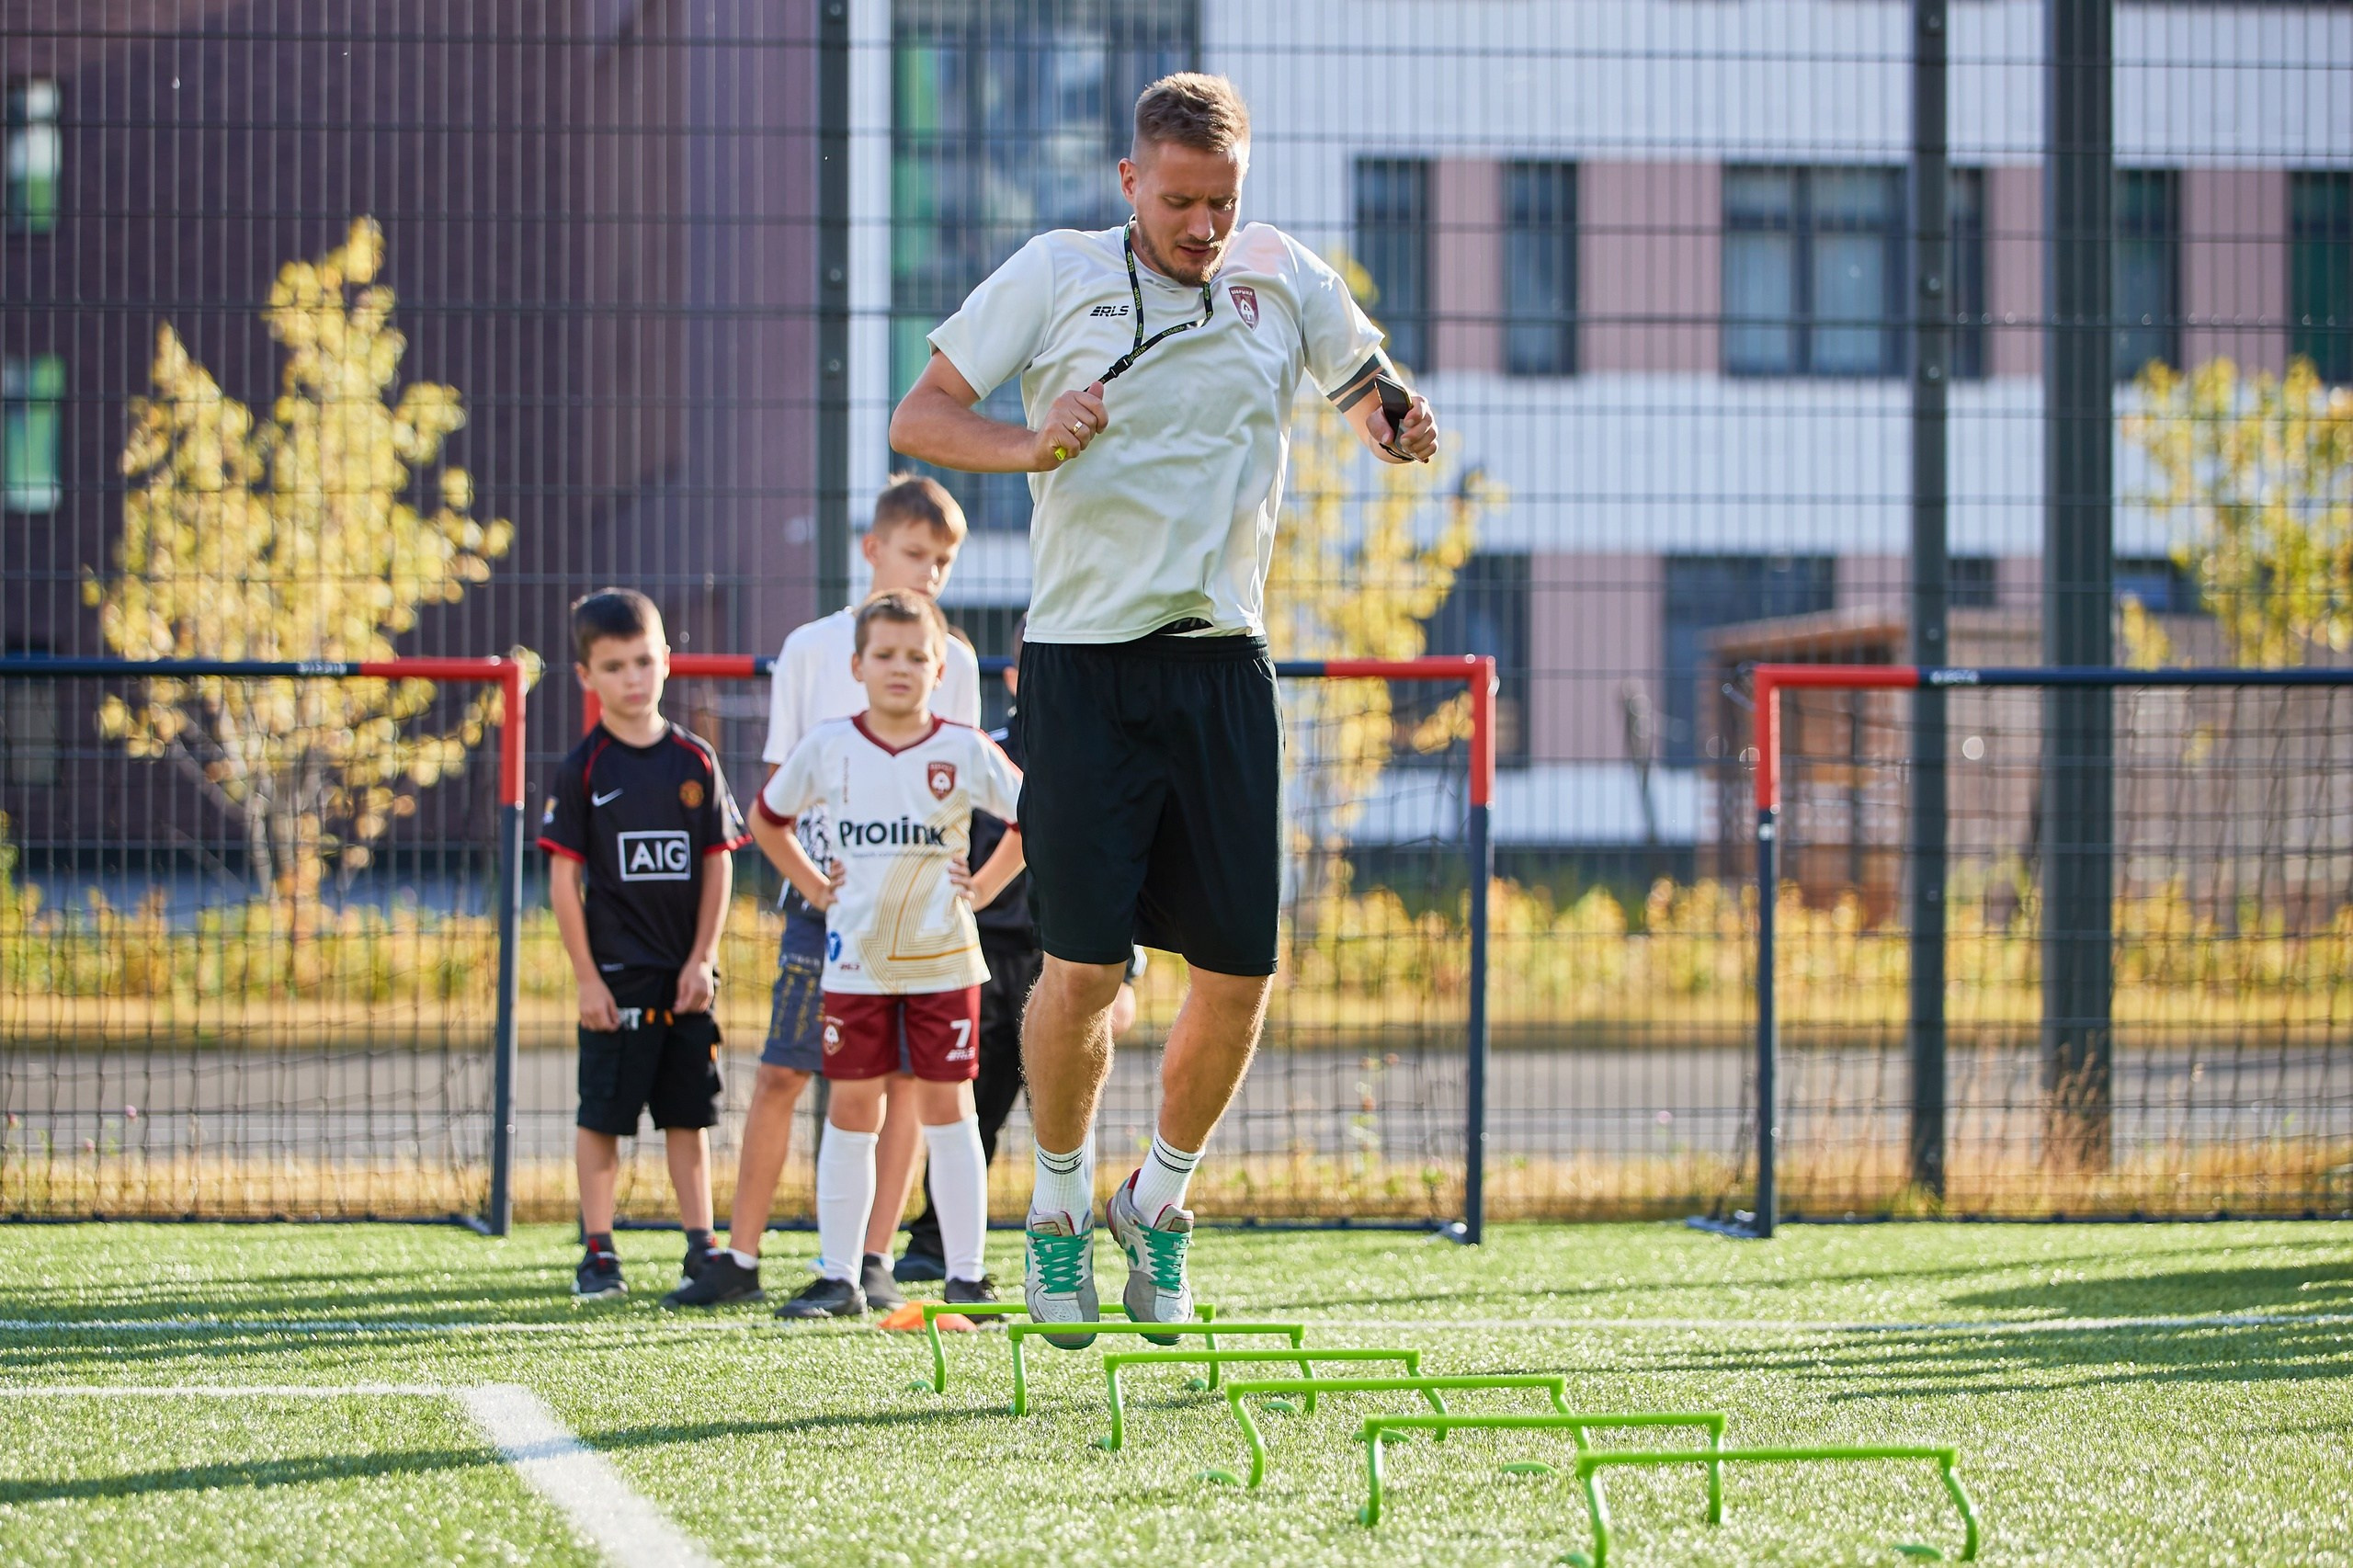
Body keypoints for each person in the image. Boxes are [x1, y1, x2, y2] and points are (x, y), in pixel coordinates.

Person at [888, 72, 1439, 1343]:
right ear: (1130, 180)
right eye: (1180, 199)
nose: (1201, 224)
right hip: (1084, 668)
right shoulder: (1055, 271)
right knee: (1082, 969)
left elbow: (1372, 391)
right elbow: (924, 415)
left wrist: (1399, 424)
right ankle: (1061, 1213)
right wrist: (1031, 443)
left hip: (1224, 666)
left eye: (1223, 201)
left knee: (1242, 973)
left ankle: (1162, 1205)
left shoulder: (1282, 276)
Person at [666, 476, 982, 1312]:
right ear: (872, 550)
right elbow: (782, 790)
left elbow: (962, 788)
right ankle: (739, 1256)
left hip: (919, 926)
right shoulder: (811, 649)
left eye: (944, 562)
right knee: (781, 1074)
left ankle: (868, 1260)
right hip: (830, 917)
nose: (930, 575)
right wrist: (817, 883)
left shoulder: (958, 661)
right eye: (917, 555)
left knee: (906, 1088)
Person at [751, 591, 1025, 1316]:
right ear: (858, 665)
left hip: (943, 962)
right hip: (856, 964)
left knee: (948, 1107)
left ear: (940, 669)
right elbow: (767, 817)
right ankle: (838, 1276)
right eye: (885, 655)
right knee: (851, 1108)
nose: (900, 668)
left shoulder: (964, 748)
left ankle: (967, 1275)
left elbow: (1035, 819)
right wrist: (815, 888)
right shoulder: (830, 745)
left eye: (917, 656)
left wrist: (987, 889)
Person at [895, 618, 1139, 1284]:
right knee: (972, 1106)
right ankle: (933, 1240)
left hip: (1072, 963)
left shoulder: (1111, 756)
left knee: (1068, 1112)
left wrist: (1128, 972)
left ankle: (1071, 1248)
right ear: (1014, 674)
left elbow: (1124, 869)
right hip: (983, 957)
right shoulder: (979, 753)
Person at [540, 589, 750, 1300]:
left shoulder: (695, 761)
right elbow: (564, 881)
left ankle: (701, 1245)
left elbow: (719, 862)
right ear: (586, 677)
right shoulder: (584, 769)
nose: (632, 678)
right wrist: (587, 979)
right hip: (617, 980)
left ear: (665, 660)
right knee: (603, 1114)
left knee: (688, 1114)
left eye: (642, 661)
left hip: (684, 979)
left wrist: (701, 960)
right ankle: (598, 1250)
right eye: (613, 666)